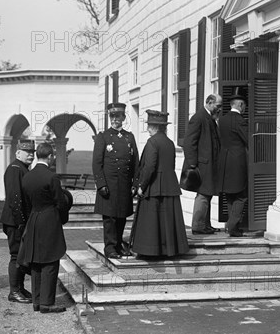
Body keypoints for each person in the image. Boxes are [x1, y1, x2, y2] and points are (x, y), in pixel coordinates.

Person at [17, 143, 71, 313]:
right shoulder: (51, 177)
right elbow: (60, 202)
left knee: (36, 262)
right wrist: (61, 219)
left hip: (34, 219)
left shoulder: (27, 176)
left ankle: (37, 300)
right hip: (49, 220)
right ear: (50, 157)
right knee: (50, 261)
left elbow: (26, 203)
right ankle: (47, 303)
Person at [130, 110, 189, 258]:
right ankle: (169, 250)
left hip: (154, 187)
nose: (148, 128)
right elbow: (171, 164)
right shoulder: (170, 143)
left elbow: (150, 167)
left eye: (149, 125)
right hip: (170, 186)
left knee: (151, 221)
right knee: (167, 220)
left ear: (155, 127)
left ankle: (149, 251)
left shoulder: (152, 142)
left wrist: (141, 186)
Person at [92, 102, 139, 259]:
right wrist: (101, 184)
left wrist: (135, 183)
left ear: (124, 117)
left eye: (118, 116)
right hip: (109, 186)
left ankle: (119, 245)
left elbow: (135, 163)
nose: (115, 119)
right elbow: (97, 163)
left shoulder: (129, 137)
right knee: (110, 218)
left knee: (121, 217)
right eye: (112, 116)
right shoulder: (103, 137)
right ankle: (110, 248)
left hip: (124, 185)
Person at [181, 94, 223, 235]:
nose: (220, 109)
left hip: (208, 164)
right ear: (209, 103)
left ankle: (206, 224)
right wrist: (193, 164)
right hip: (202, 165)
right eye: (218, 106)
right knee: (203, 195)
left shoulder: (209, 118)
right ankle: (198, 226)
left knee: (208, 194)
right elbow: (188, 142)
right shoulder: (199, 118)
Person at [0, 139, 35, 304]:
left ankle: (20, 288)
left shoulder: (22, 168)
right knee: (16, 256)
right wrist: (21, 222)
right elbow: (15, 199)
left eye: (32, 152)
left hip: (19, 220)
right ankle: (14, 291)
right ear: (18, 152)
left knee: (21, 256)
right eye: (27, 152)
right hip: (15, 221)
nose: (30, 155)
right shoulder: (15, 169)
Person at [217, 90, 249, 237]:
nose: (244, 109)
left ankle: (233, 228)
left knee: (230, 195)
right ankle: (232, 225)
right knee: (241, 195)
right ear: (240, 105)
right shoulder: (240, 121)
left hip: (224, 162)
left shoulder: (221, 120)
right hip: (238, 162)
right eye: (244, 106)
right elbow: (248, 140)